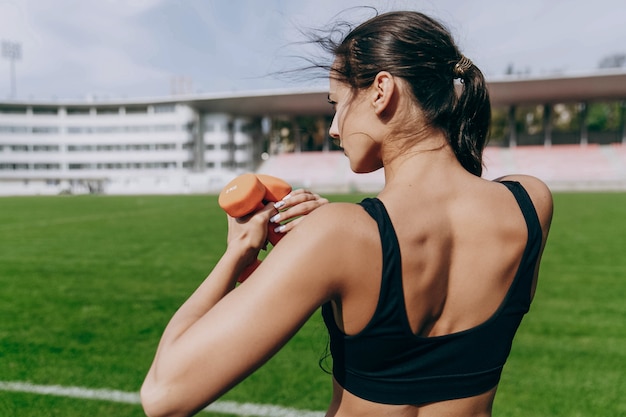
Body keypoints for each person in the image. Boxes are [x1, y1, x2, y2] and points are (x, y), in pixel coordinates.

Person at [141, 10, 553, 417]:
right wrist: (338, 233)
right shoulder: (531, 201)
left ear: (381, 91)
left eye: (337, 104)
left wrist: (237, 253)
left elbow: (164, 396)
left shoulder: (338, 235)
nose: (335, 127)